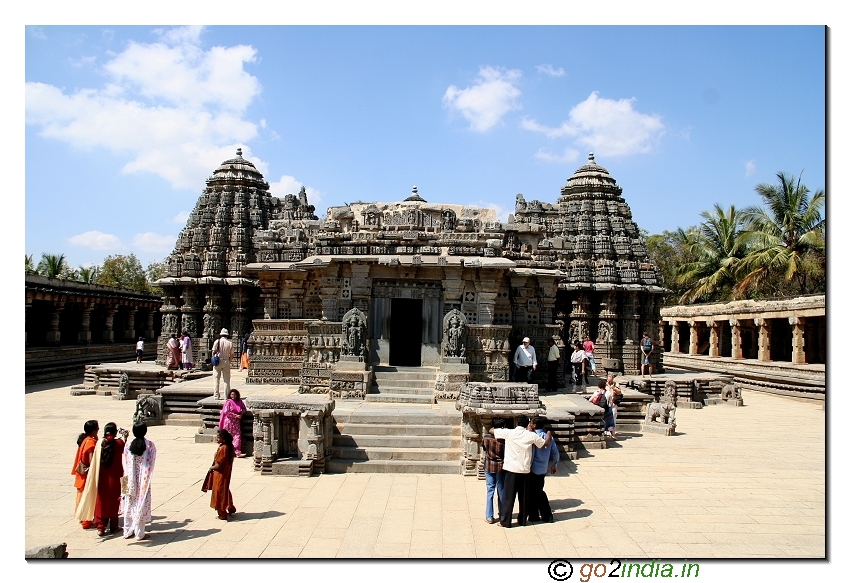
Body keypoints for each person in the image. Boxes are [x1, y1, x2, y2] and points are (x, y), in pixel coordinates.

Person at [489, 414, 552, 528]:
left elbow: (492, 430)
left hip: (511, 469)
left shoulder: (510, 433)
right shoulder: (531, 435)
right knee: (523, 497)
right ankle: (522, 520)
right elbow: (544, 444)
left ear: (517, 423)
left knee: (509, 497)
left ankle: (505, 521)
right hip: (524, 470)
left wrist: (501, 428)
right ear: (527, 424)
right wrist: (548, 434)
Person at [76, 422, 126, 536]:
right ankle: (114, 526)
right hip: (116, 477)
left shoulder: (99, 444)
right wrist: (125, 437)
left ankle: (101, 527)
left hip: (102, 477)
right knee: (114, 501)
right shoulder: (119, 443)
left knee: (101, 502)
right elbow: (124, 449)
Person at [122, 422, 156, 541]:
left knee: (128, 503)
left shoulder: (127, 445)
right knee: (140, 503)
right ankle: (139, 533)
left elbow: (124, 461)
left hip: (127, 478)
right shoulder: (150, 445)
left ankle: (127, 531)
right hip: (143, 480)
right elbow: (151, 462)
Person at [525, 416, 560, 524]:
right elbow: (555, 452)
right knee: (534, 491)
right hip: (543, 468)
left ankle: (547, 515)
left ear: (534, 425)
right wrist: (554, 464)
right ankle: (534, 515)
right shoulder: (548, 436)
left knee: (537, 492)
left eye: (531, 422)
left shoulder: (534, 436)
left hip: (533, 469)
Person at [72, 420, 99, 530]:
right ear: (93, 430)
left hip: (81, 475)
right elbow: (92, 461)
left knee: (81, 496)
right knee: (87, 497)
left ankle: (82, 517)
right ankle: (86, 521)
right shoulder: (91, 442)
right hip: (86, 476)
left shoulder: (85, 440)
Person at [482, 418, 507, 524]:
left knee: (490, 491)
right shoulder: (504, 440)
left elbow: (484, 448)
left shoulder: (487, 438)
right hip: (500, 467)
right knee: (501, 491)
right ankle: (502, 514)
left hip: (489, 465)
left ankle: (489, 516)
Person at [208, 429, 237, 520]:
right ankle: (230, 507)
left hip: (220, 474)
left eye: (218, 437)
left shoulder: (223, 448)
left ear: (223, 439)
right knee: (225, 490)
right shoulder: (228, 446)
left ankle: (222, 513)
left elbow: (219, 465)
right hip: (225, 472)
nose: (216, 439)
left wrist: (211, 468)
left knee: (219, 492)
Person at [220, 389, 248, 457]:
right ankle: (226, 451)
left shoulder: (240, 401)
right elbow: (226, 412)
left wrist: (241, 414)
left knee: (237, 436)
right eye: (232, 394)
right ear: (230, 395)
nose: (233, 396)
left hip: (236, 422)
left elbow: (244, 408)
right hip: (229, 422)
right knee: (227, 436)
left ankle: (237, 452)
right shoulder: (228, 402)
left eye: (235, 394)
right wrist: (236, 416)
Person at [212, 328, 235, 400]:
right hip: (226, 360)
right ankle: (226, 396)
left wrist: (214, 358)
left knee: (216, 379)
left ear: (221, 335)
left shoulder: (217, 341)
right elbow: (232, 354)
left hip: (218, 361)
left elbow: (213, 351)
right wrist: (229, 361)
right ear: (227, 335)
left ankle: (216, 395)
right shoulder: (230, 343)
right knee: (226, 380)